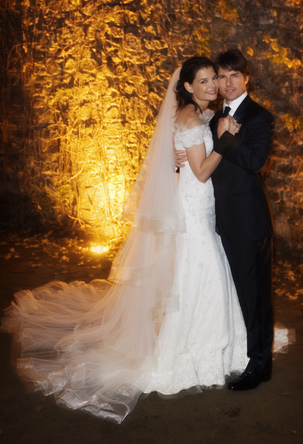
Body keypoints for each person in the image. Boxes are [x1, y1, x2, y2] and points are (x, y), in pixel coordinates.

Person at [1, 57, 248, 424]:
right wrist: (224, 139)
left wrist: (211, 131)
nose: (213, 85)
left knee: (198, 268)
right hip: (194, 203)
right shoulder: (191, 117)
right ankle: (192, 350)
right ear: (187, 87)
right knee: (203, 267)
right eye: (204, 80)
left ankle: (213, 345)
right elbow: (201, 170)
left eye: (214, 78)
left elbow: (179, 155)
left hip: (198, 203)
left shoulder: (193, 115)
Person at [175, 49, 275, 391]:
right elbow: (195, 154)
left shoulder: (259, 117)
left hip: (247, 222)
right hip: (217, 219)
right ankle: (238, 349)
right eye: (221, 76)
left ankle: (260, 365)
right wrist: (180, 158)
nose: (225, 83)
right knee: (231, 292)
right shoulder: (212, 114)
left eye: (234, 75)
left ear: (246, 78)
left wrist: (225, 138)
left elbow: (254, 161)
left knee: (254, 296)